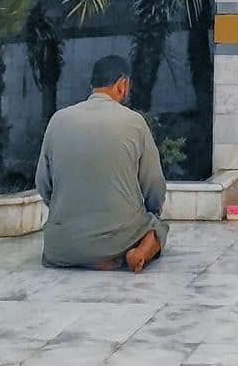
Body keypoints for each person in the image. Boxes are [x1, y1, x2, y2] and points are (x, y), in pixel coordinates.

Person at [35, 55, 168, 272]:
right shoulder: (134, 122)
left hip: (60, 248)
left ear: (92, 87)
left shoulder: (58, 119)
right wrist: (152, 213)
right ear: (122, 84)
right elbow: (154, 185)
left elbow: (43, 185)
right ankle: (138, 253)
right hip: (117, 243)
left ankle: (86, 256)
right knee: (156, 228)